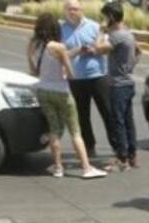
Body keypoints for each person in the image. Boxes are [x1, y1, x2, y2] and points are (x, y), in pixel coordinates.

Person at [27, 13, 106, 179]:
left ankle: (57, 168)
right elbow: (70, 72)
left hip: (43, 90)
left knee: (54, 129)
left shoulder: (35, 45)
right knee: (75, 131)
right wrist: (65, 73)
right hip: (62, 92)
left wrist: (76, 51)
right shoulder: (59, 47)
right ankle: (86, 167)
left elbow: (34, 70)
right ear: (55, 28)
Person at [61, 0, 112, 159]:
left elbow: (108, 47)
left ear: (81, 10)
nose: (73, 12)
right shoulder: (61, 29)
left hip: (98, 76)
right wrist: (76, 52)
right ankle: (89, 147)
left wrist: (94, 50)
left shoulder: (94, 27)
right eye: (70, 9)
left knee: (108, 112)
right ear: (65, 11)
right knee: (82, 116)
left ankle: (118, 148)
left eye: (76, 9)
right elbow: (59, 53)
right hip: (76, 78)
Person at [94, 2, 140, 171]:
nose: (103, 20)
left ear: (111, 17)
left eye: (105, 17)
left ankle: (122, 159)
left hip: (118, 85)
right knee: (128, 121)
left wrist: (100, 31)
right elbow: (139, 52)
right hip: (128, 82)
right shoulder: (128, 34)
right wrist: (129, 67)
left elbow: (98, 48)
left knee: (118, 121)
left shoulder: (116, 36)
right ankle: (132, 155)